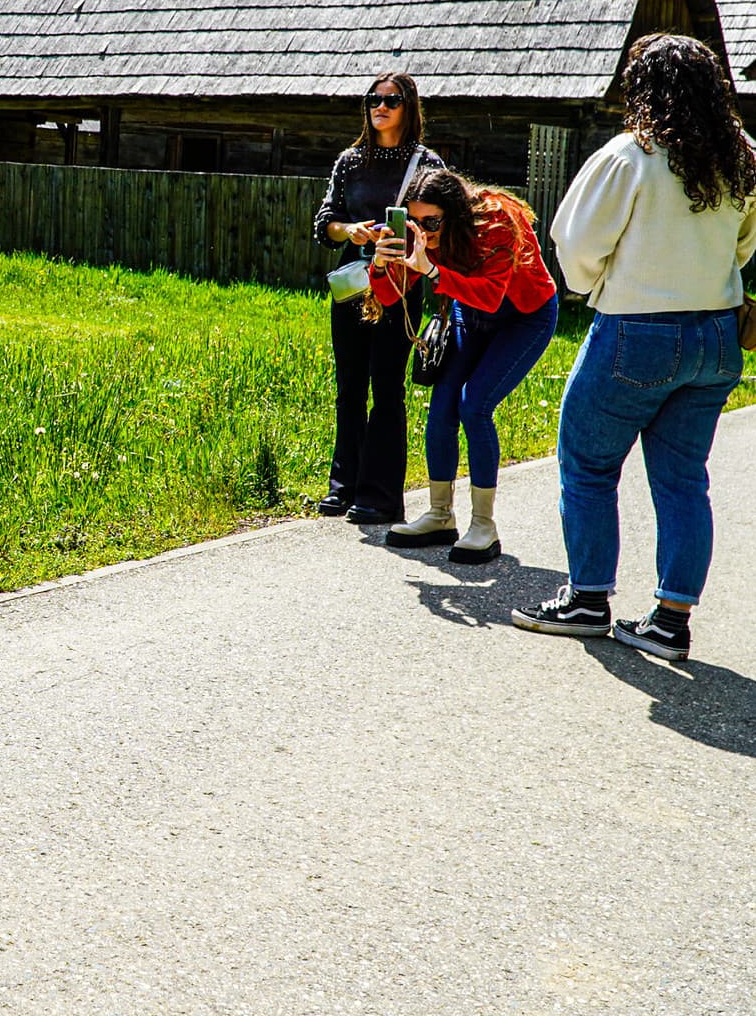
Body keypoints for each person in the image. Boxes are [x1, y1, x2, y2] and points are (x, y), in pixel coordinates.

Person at [512, 33, 756, 660]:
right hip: (719, 332)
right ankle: (670, 622)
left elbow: (575, 237)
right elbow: (746, 244)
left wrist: (593, 285)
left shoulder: (631, 154)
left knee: (589, 464)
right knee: (682, 480)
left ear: (643, 85)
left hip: (638, 328)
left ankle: (588, 600)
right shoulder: (743, 156)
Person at [368, 169, 558, 562]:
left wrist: (432, 271)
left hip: (524, 316)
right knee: (440, 410)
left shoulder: (496, 219)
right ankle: (440, 515)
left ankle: (483, 526)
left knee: (475, 406)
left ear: (455, 213)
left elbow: (490, 296)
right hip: (468, 312)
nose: (423, 232)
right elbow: (388, 297)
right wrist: (382, 264)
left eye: (432, 222)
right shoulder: (416, 233)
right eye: (415, 221)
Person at [311, 72, 446, 524]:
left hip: (402, 283)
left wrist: (407, 238)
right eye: (373, 98)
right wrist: (350, 229)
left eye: (392, 99)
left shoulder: (427, 163)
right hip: (354, 284)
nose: (380, 106)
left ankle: (381, 494)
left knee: (387, 389)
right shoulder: (349, 161)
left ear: (410, 107)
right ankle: (343, 485)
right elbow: (326, 222)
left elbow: (441, 224)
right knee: (349, 386)